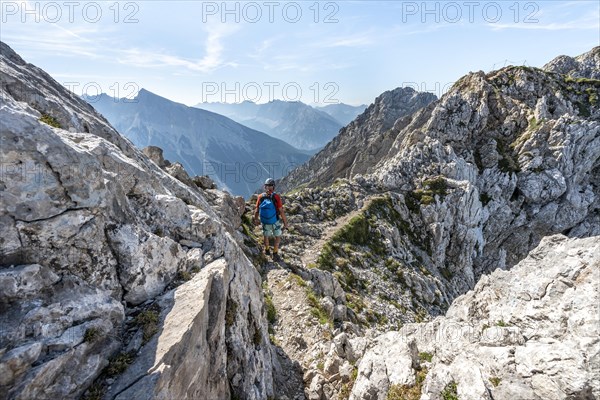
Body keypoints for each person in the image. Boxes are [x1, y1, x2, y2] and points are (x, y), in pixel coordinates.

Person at [253, 178, 289, 261]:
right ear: (273, 187)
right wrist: (285, 222)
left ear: (265, 187)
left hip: (265, 221)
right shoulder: (276, 197)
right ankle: (275, 253)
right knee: (278, 236)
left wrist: (256, 219)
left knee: (266, 235)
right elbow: (281, 211)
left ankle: (267, 250)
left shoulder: (260, 196)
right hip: (275, 220)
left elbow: (257, 210)